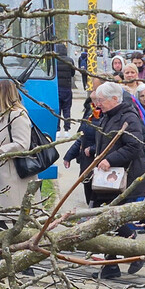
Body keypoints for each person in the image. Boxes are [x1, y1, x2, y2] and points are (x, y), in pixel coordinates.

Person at [91, 81, 145, 278]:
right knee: (107, 217)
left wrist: (109, 159)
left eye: (101, 100)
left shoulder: (128, 117)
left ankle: (132, 246)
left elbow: (135, 146)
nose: (98, 104)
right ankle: (111, 265)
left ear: (114, 99)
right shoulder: (110, 116)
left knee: (110, 217)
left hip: (124, 177)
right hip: (109, 178)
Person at [0, 79, 34, 226]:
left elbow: (22, 145)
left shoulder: (17, 115)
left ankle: (11, 244)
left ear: (2, 94)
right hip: (1, 174)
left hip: (14, 176)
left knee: (10, 217)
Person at [64, 78, 104, 206]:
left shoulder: (107, 115)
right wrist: (69, 155)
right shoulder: (90, 112)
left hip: (98, 161)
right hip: (86, 161)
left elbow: (108, 139)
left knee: (97, 194)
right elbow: (82, 135)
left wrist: (92, 149)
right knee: (87, 187)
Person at [55, 44, 76, 137]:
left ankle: (57, 130)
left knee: (57, 110)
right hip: (67, 88)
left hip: (56, 88)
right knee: (67, 109)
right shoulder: (70, 60)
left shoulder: (54, 60)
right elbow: (73, 73)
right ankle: (67, 129)